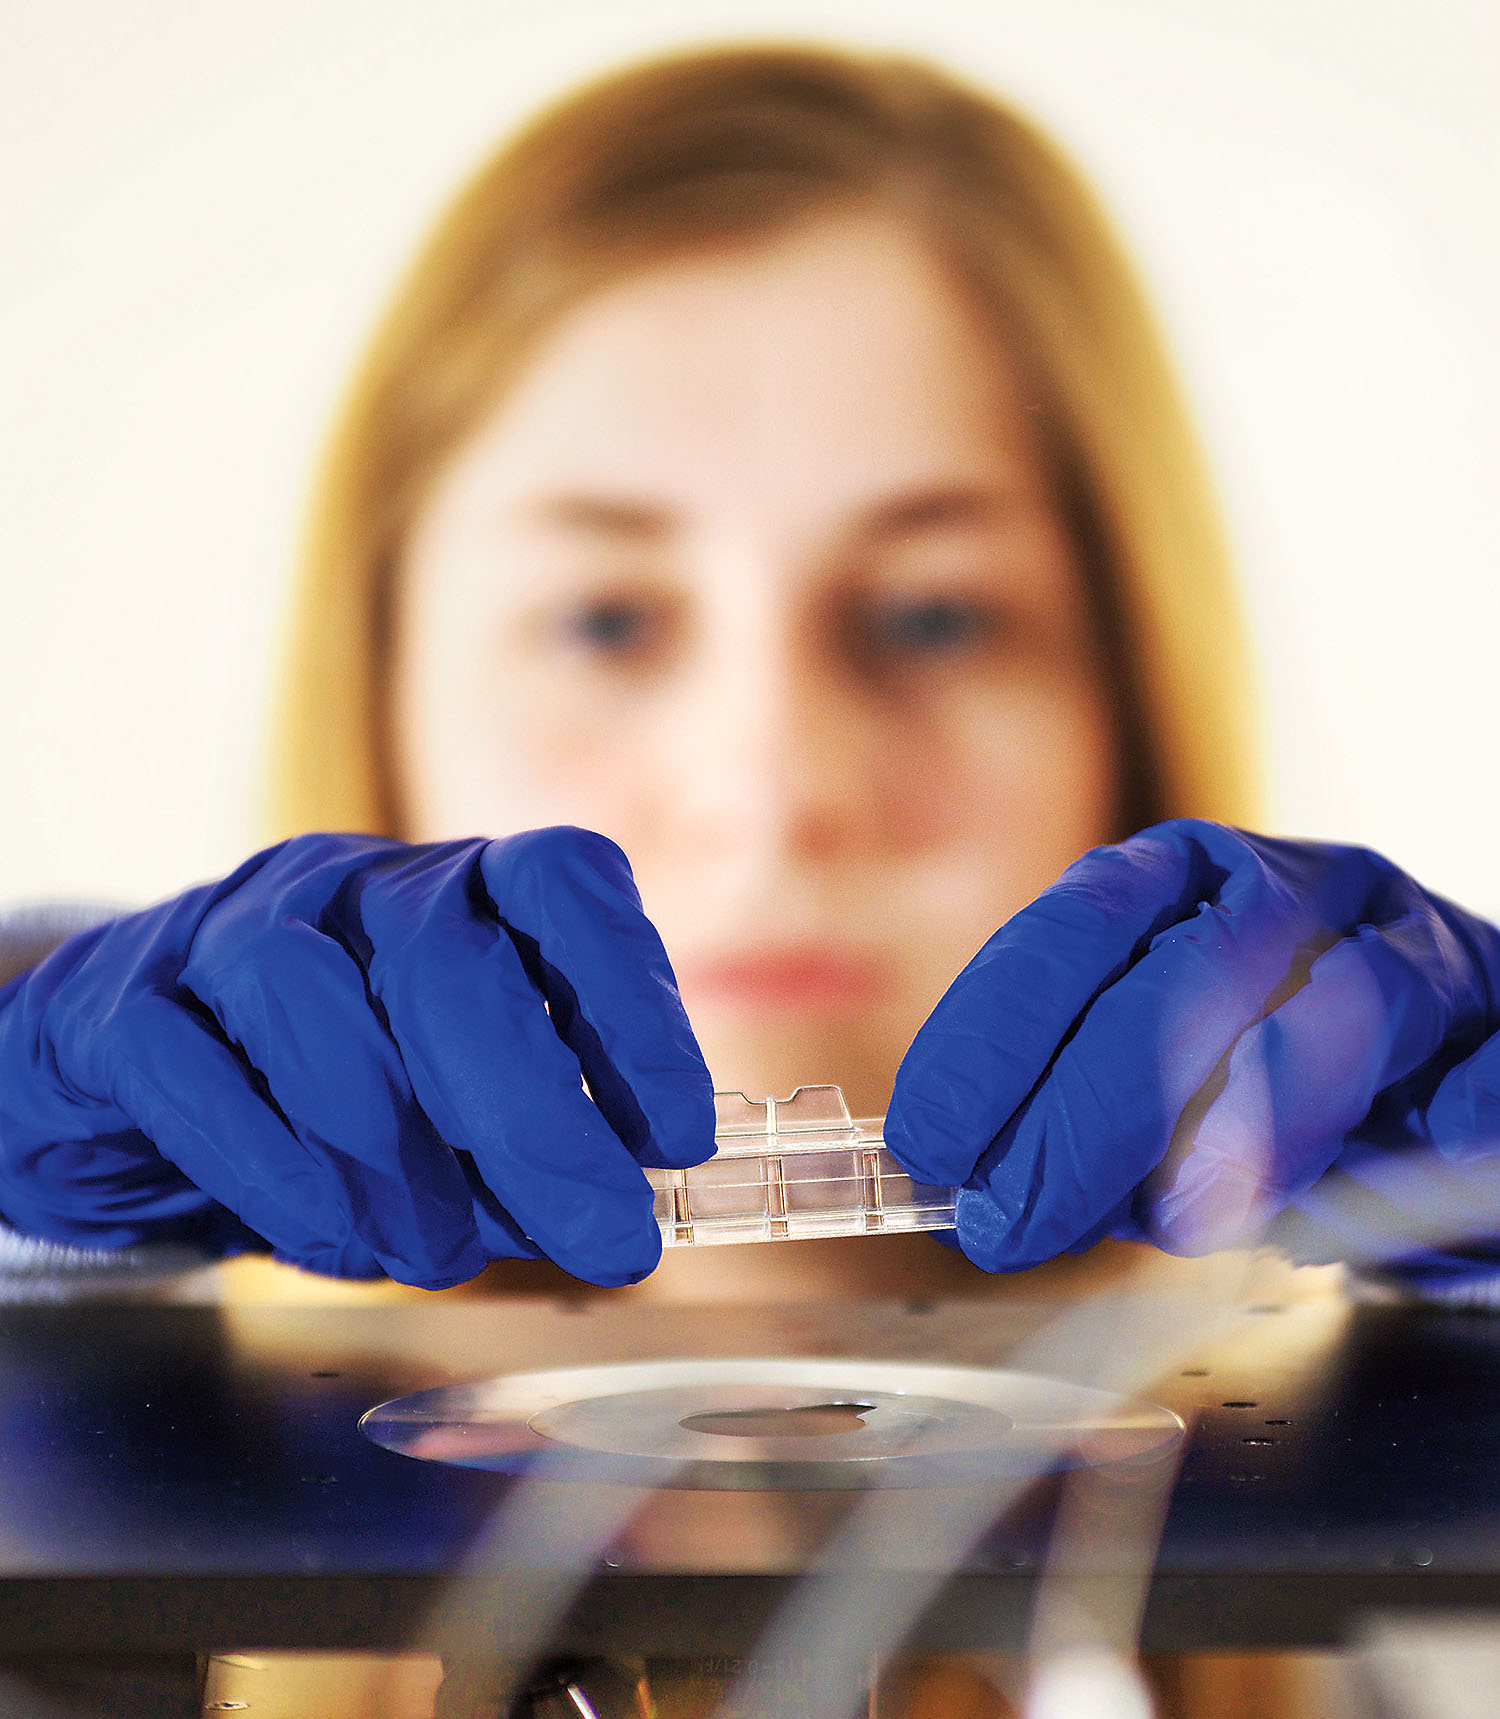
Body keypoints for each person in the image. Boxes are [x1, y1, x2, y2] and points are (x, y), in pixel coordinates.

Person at [4, 42, 1499, 1313]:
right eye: (605, 621)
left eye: (930, 617)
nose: (769, 784)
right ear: (377, 697)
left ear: (1131, 712)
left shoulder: (1421, 1651)